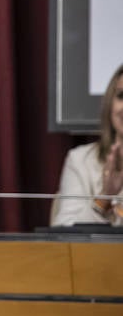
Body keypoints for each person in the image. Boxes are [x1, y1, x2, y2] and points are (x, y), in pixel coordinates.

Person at [51, 62, 123, 226]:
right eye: (122, 96)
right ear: (110, 104)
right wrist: (104, 197)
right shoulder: (80, 160)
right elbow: (64, 228)